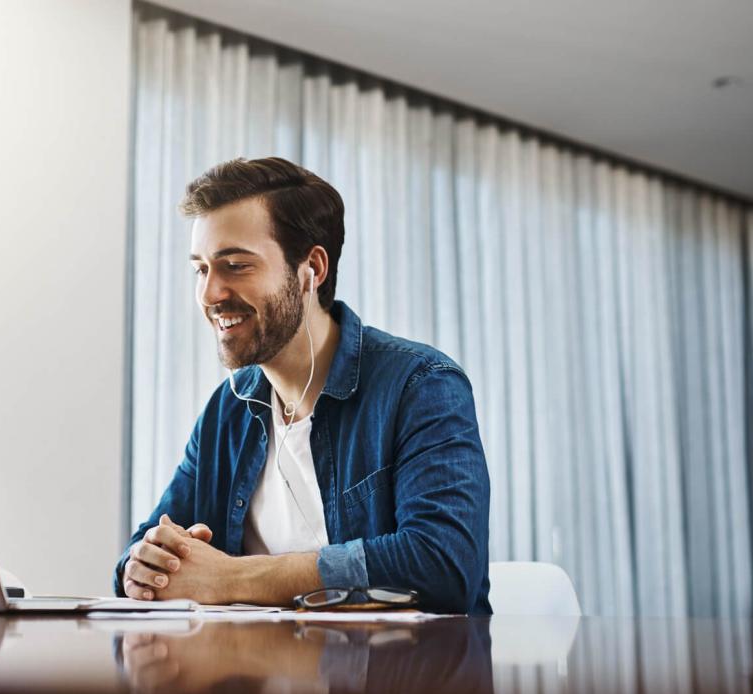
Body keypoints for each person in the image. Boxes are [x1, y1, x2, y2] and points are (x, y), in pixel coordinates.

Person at [114, 157, 491, 614]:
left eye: (234, 265)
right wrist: (144, 564)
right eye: (201, 269)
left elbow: (443, 565)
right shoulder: (227, 411)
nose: (210, 294)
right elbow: (140, 555)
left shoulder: (421, 386)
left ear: (311, 268)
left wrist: (229, 577)